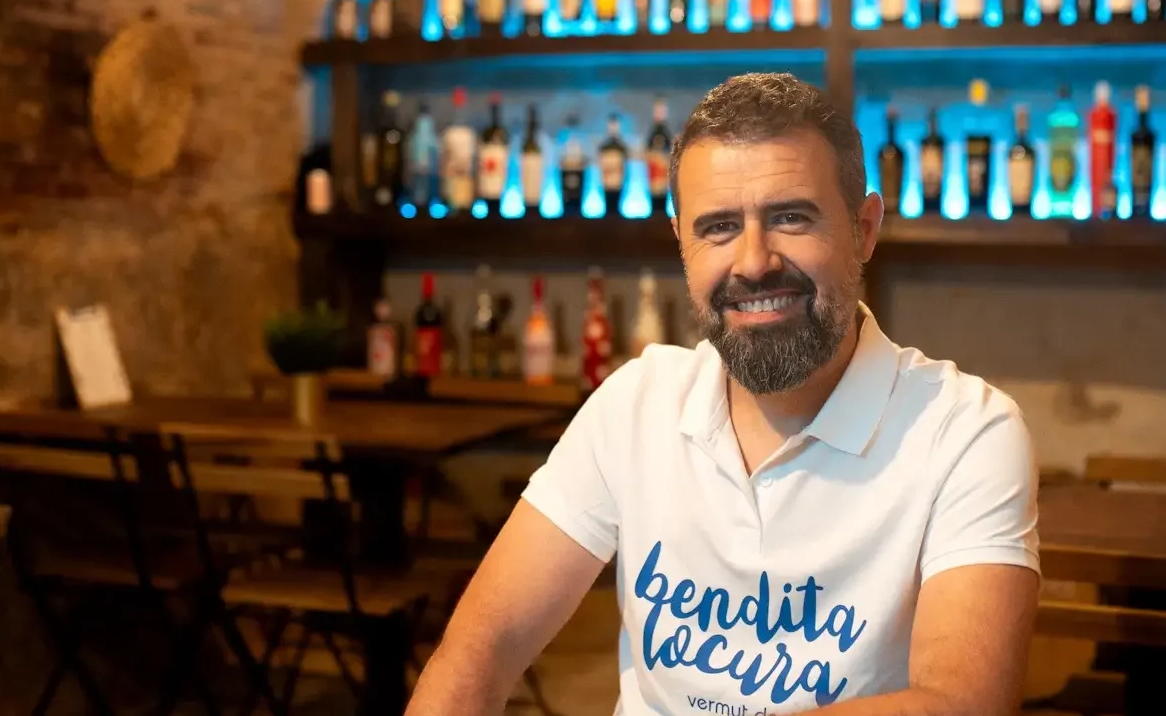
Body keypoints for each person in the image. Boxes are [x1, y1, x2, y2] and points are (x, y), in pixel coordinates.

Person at [405, 73, 1041, 715]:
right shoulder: (635, 404)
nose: (753, 261)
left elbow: (963, 704)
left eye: (791, 217)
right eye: (718, 227)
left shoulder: (964, 431)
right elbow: (483, 645)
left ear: (865, 228)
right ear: (679, 239)